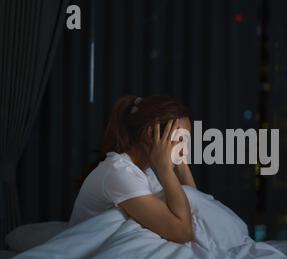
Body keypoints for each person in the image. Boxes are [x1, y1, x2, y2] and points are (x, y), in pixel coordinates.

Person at [70, 95, 196, 244]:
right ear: (151, 134)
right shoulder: (119, 172)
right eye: (180, 139)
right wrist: (165, 169)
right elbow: (183, 232)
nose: (185, 150)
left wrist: (181, 162)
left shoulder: (147, 172)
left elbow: (197, 206)